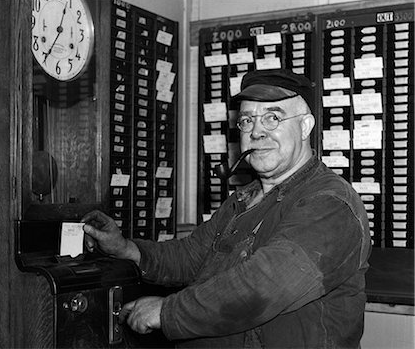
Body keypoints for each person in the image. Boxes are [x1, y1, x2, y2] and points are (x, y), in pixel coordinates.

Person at [82, 69, 372, 348]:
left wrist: (167, 312)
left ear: (305, 126)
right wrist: (127, 249)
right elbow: (191, 256)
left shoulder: (331, 204)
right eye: (247, 121)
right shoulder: (244, 199)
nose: (256, 132)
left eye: (272, 118)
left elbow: (263, 287)